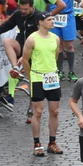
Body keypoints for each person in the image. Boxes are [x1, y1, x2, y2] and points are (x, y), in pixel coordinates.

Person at [24, 10, 64, 157]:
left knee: (55, 111)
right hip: (37, 77)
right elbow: (25, 60)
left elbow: (55, 56)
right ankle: (37, 144)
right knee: (38, 112)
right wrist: (30, 77)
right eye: (49, 20)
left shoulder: (56, 38)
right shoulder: (32, 39)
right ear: (41, 22)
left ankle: (52, 142)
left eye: (53, 19)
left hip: (52, 78)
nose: (53, 22)